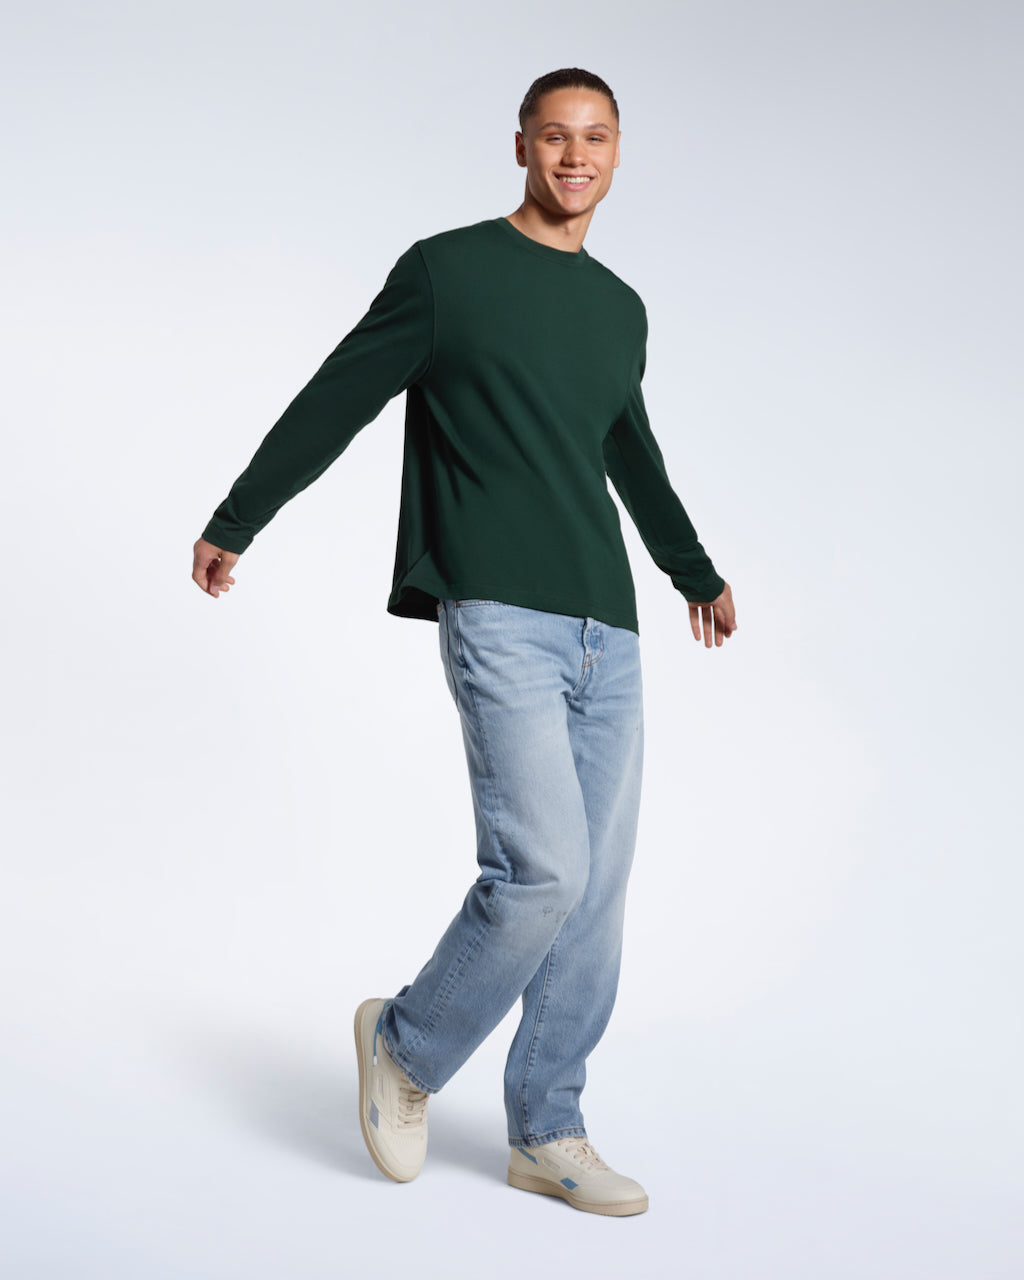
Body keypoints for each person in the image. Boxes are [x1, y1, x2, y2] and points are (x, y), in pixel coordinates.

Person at [192, 67, 737, 1218]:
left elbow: (627, 451)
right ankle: (404, 1042)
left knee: (595, 896)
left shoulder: (620, 308)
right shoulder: (447, 271)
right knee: (541, 871)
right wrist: (239, 517)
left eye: (595, 138)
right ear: (521, 145)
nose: (574, 157)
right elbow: (339, 392)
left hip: (607, 625)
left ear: (618, 153)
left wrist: (693, 572)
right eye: (555, 136)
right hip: (496, 609)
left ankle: (548, 1127)